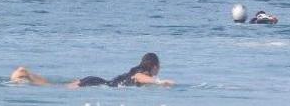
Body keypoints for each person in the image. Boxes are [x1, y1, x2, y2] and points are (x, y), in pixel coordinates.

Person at [10, 52, 172, 88]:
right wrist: (160, 82)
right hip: (97, 83)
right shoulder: (141, 73)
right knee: (56, 87)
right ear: (154, 67)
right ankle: (25, 74)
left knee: (56, 85)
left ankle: (26, 75)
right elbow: (140, 78)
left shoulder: (135, 71)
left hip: (97, 80)